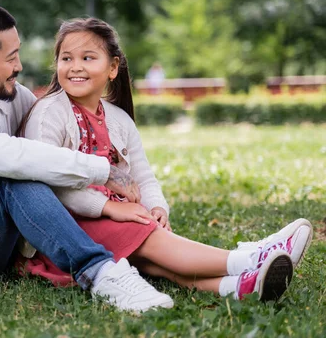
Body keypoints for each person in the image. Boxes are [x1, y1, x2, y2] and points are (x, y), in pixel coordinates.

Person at [0, 1, 175, 314]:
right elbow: (14, 156)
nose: (19, 66)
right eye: (11, 57)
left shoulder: (6, 95)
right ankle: (101, 273)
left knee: (23, 172)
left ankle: (225, 271)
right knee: (10, 174)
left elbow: (50, 121)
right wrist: (103, 170)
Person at [18, 17, 313, 303]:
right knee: (149, 241)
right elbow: (49, 185)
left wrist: (157, 207)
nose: (75, 67)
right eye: (66, 58)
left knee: (157, 261)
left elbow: (143, 177)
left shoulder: (119, 119)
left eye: (88, 58)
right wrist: (108, 208)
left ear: (112, 68)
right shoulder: (49, 113)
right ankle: (252, 258)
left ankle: (240, 287)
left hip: (118, 216)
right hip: (70, 228)